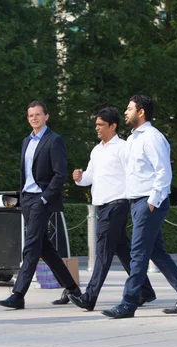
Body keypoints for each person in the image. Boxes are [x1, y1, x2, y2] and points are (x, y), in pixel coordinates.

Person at [101, 94, 177, 319]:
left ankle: (128, 303)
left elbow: (163, 172)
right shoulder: (134, 138)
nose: (125, 112)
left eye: (129, 108)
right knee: (157, 253)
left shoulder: (152, 138)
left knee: (138, 253)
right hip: (137, 201)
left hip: (148, 202)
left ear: (141, 111)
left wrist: (152, 202)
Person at [68, 107, 156, 311]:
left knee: (102, 252)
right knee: (123, 250)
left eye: (100, 125)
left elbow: (134, 174)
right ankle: (146, 290)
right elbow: (90, 176)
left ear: (113, 126)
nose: (97, 128)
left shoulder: (123, 148)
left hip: (117, 204)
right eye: (96, 124)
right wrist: (80, 178)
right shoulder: (96, 150)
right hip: (102, 206)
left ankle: (89, 297)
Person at [0, 100, 81, 309]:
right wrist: (22, 197)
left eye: (37, 114)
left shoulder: (54, 140)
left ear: (46, 116)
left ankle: (18, 294)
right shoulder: (26, 141)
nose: (34, 118)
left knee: (32, 246)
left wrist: (44, 199)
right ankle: (72, 289)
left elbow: (60, 175)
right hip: (27, 198)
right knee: (45, 248)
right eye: (30, 115)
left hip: (41, 200)